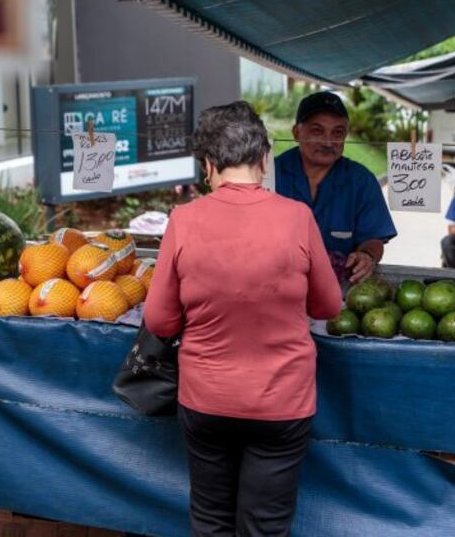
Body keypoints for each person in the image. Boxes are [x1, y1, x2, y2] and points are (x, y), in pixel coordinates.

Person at [144, 101, 342, 537]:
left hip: (206, 398)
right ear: (265, 159)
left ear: (209, 165)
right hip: (281, 402)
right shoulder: (297, 218)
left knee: (211, 522)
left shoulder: (184, 220)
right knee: (264, 528)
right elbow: (328, 306)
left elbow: (159, 321)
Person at [275, 91, 397, 284]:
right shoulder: (268, 175)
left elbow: (374, 239)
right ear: (296, 133)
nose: (328, 142)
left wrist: (366, 256)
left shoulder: (361, 181)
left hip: (338, 293)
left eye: (337, 133)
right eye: (317, 131)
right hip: (274, 289)